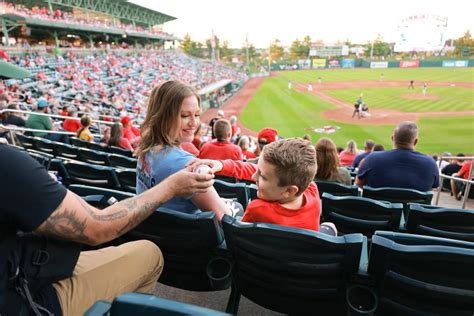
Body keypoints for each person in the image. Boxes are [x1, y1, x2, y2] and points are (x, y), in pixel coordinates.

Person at [0, 144, 214, 315]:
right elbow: (97, 229)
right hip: (22, 301)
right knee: (150, 254)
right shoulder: (7, 163)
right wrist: (171, 186)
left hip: (21, 266)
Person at [187, 138, 336, 235]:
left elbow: (238, 237)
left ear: (289, 191)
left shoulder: (257, 209)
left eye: (262, 176)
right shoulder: (311, 189)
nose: (253, 177)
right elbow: (266, 173)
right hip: (303, 258)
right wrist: (222, 165)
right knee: (330, 225)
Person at [135, 80, 234, 221]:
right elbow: (225, 217)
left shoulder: (147, 148)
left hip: (155, 232)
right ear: (164, 117)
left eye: (197, 115)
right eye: (185, 116)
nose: (194, 123)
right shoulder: (186, 164)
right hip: (185, 239)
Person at [355, 121, 439, 191]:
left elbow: (358, 184)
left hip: (378, 210)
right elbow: (432, 189)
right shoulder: (430, 163)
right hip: (413, 211)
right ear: (415, 141)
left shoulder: (372, 158)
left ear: (392, 138)